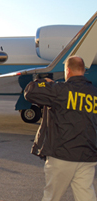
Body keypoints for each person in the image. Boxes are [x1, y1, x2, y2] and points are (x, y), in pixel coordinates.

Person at [24, 55, 97, 201]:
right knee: (86, 195)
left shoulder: (60, 90)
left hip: (62, 154)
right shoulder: (94, 93)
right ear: (83, 70)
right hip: (88, 155)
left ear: (67, 71)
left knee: (51, 197)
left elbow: (30, 92)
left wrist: (44, 81)